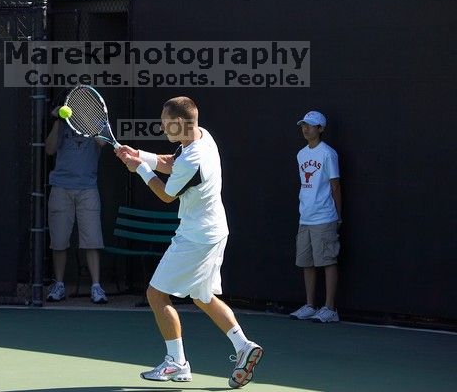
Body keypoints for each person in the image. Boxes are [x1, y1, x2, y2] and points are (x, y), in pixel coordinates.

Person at [115, 97, 263, 388]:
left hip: (196, 237)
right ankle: (244, 346)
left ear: (180, 123)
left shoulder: (193, 159)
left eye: (165, 123)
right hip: (215, 230)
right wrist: (140, 155)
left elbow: (167, 195)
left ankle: (176, 363)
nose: (161, 127)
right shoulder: (203, 137)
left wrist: (140, 169)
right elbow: (173, 162)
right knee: (202, 296)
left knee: (157, 295)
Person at [44, 100, 108, 304]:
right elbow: (49, 150)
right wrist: (57, 121)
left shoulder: (99, 122)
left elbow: (102, 143)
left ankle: (96, 287)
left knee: (92, 240)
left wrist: (86, 120)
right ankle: (59, 285)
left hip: (87, 188)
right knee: (59, 241)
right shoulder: (62, 123)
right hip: (61, 188)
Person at [289, 110, 341, 323]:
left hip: (325, 216)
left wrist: (338, 216)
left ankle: (330, 309)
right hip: (305, 218)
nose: (305, 129)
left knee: (328, 261)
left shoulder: (328, 153)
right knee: (306, 263)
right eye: (303, 125)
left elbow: (335, 185)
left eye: (310, 125)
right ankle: (310, 305)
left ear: (320, 129)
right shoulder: (301, 154)